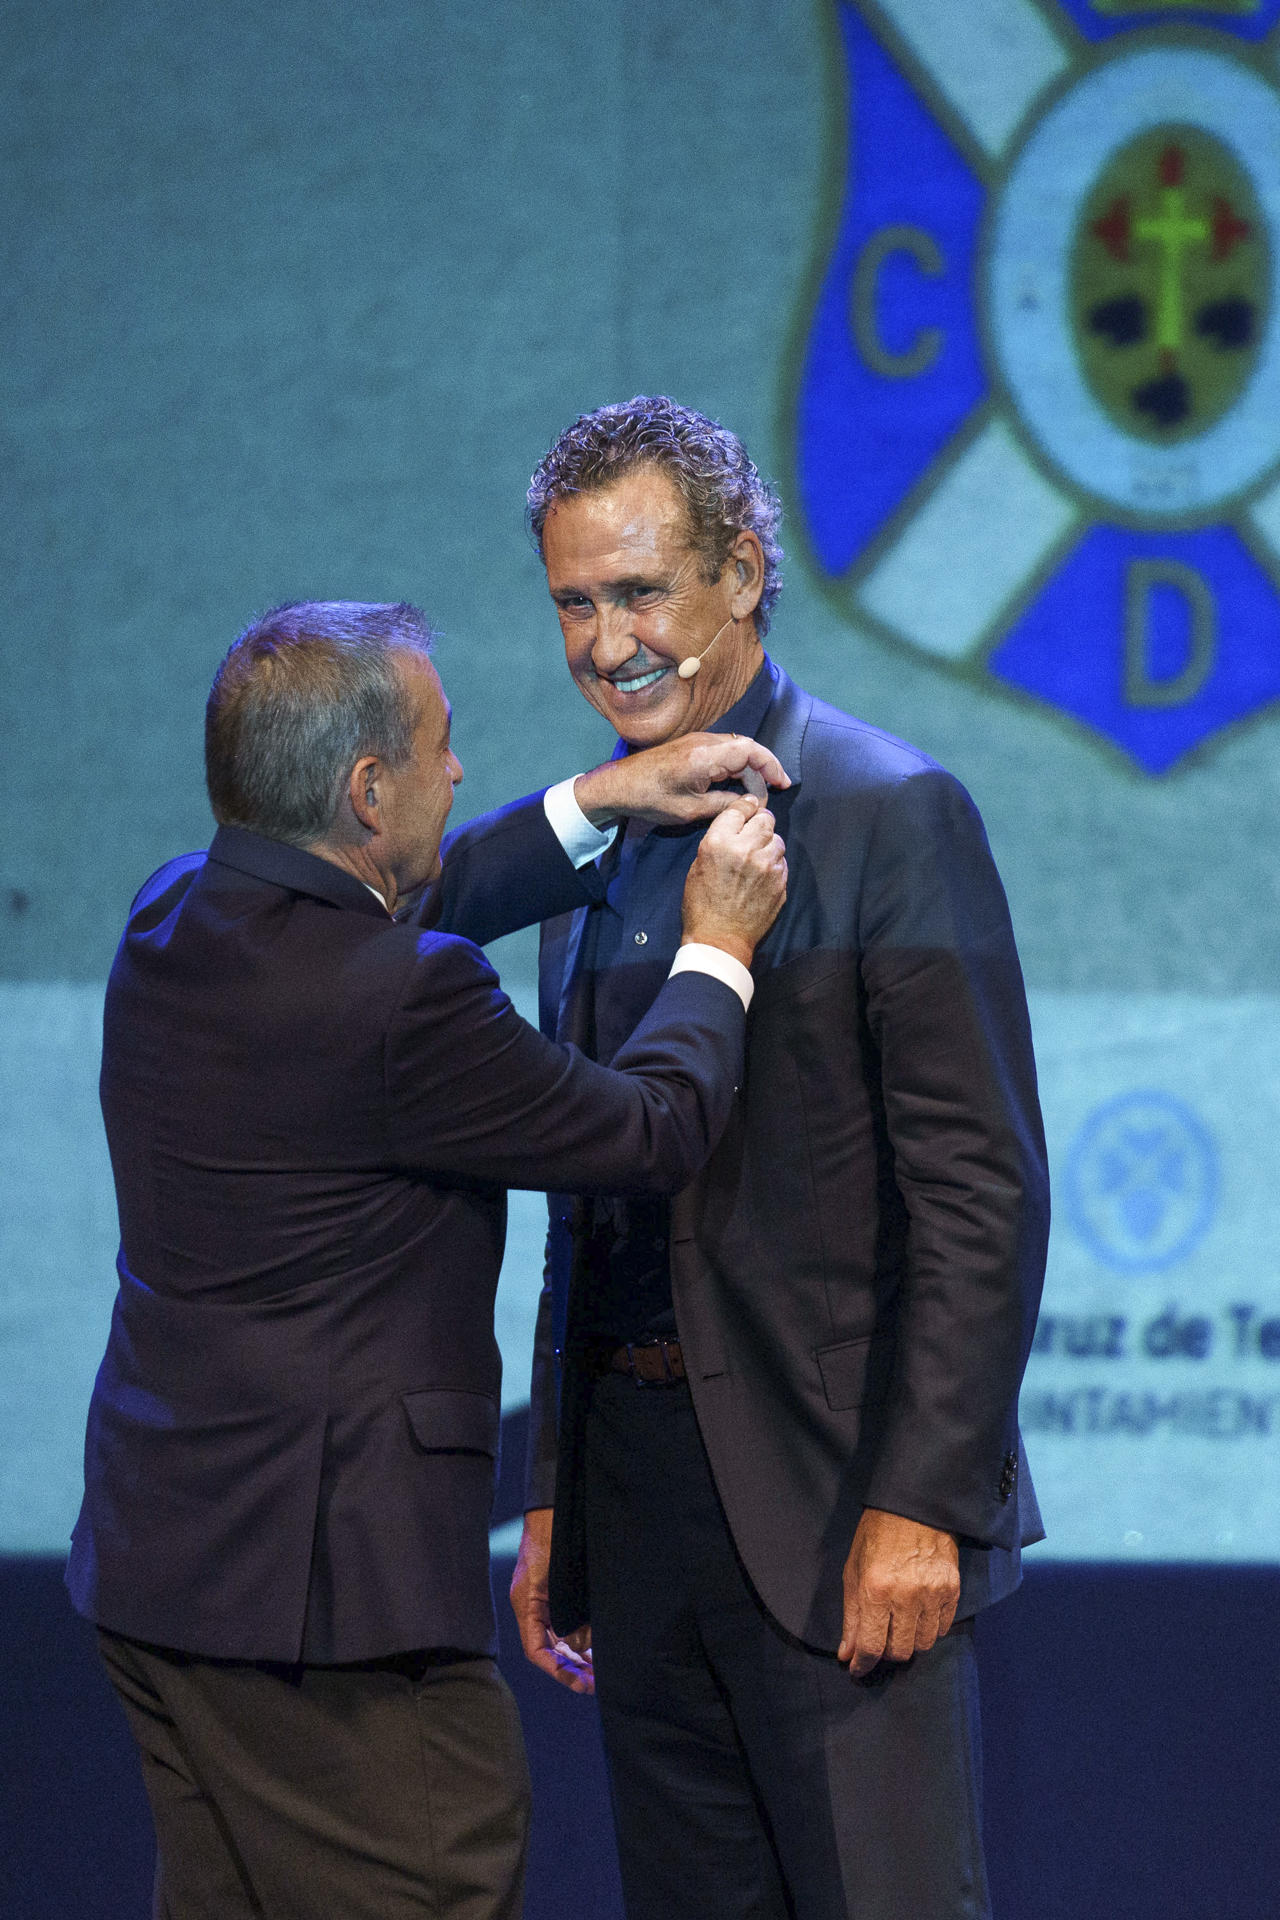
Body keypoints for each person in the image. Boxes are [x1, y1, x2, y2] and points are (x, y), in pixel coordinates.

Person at [66, 599, 788, 1920]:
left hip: (161, 1571)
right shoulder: (408, 999)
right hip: (326, 1613)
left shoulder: (173, 918)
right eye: (444, 750)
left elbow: (375, 902)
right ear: (365, 785)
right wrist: (719, 946)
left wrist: (600, 801)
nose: (461, 773)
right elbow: (649, 1127)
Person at [504, 400, 1051, 1920]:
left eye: (642, 591)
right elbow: (586, 1203)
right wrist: (557, 1493)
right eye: (574, 602)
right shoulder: (596, 853)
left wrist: (926, 1499)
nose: (609, 642)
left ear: (744, 571)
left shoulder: (888, 812)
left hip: (838, 1508)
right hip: (645, 1507)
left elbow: (980, 1194)